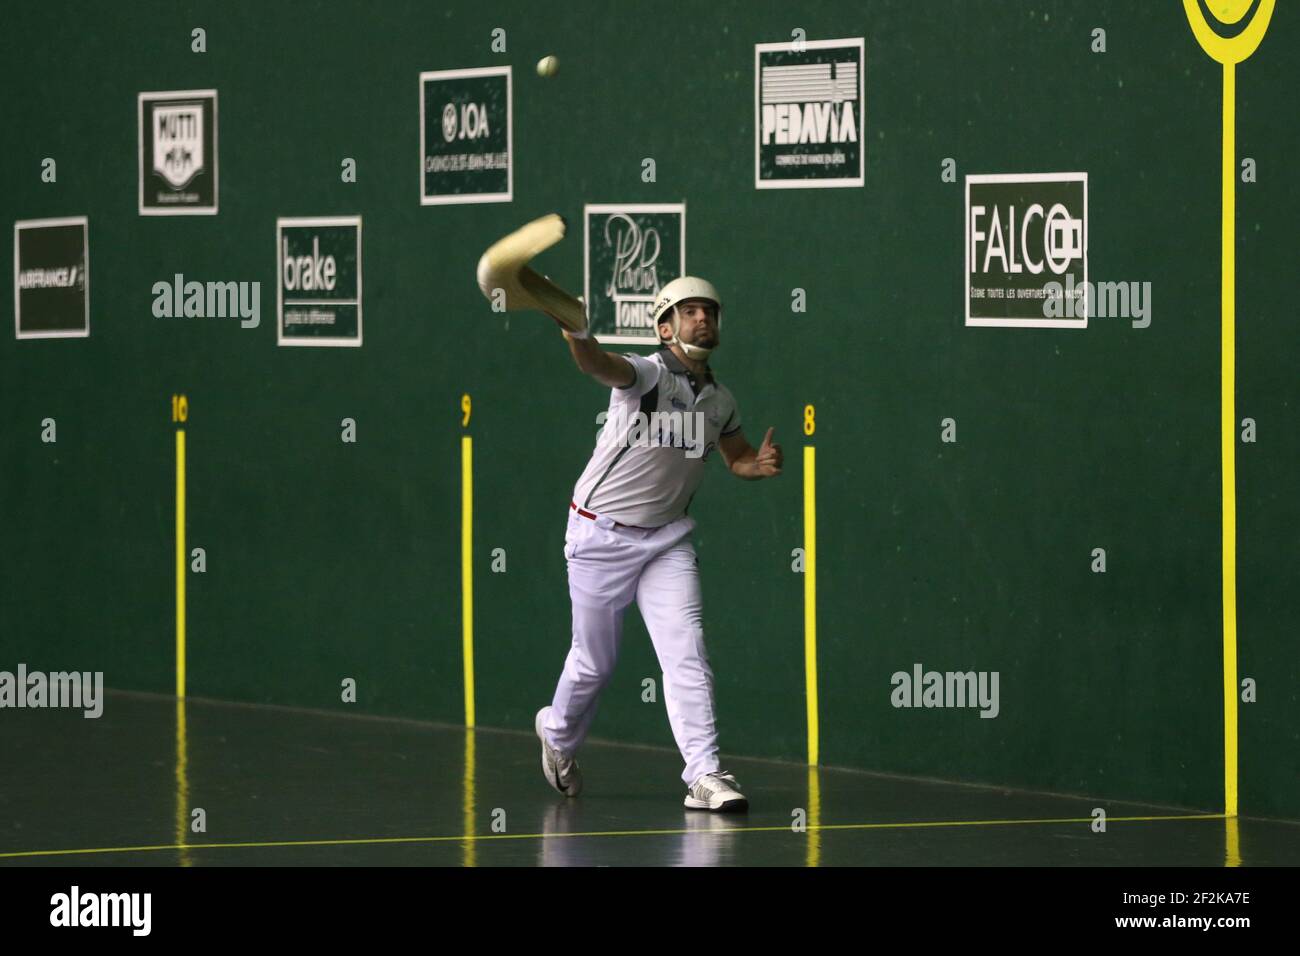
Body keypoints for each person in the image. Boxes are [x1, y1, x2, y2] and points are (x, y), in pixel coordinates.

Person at [534, 276, 783, 811]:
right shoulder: (645, 376)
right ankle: (556, 735)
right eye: (690, 311)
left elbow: (734, 455)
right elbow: (596, 363)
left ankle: (705, 774)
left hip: (667, 541)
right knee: (595, 663)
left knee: (687, 654)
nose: (703, 319)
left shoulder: (720, 400)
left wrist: (752, 466)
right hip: (600, 535)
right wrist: (576, 329)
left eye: (710, 312)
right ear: (665, 326)